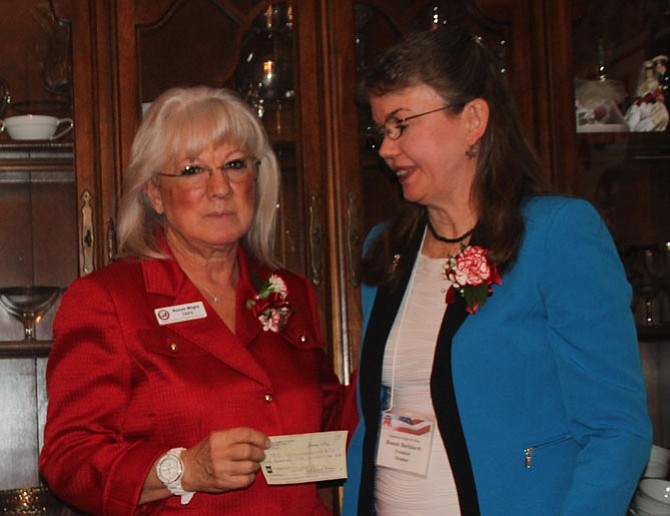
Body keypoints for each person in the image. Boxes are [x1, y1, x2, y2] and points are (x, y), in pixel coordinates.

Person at [343, 27, 652, 515]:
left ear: (473, 120)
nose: (385, 148)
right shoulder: (387, 249)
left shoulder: (556, 235)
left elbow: (617, 432)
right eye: (380, 130)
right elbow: (373, 422)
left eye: (401, 124)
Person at [39, 86, 342, 515]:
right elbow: (68, 459)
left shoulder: (289, 291)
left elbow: (333, 424)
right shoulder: (108, 299)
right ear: (155, 194)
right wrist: (183, 469)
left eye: (235, 165)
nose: (220, 188)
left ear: (257, 177)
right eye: (192, 170)